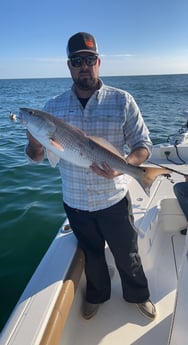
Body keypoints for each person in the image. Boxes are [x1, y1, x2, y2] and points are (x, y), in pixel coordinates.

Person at [26, 32, 156, 320]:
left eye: (89, 59)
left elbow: (143, 144)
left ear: (99, 62)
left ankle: (138, 295)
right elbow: (38, 158)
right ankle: (97, 296)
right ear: (69, 65)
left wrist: (128, 164)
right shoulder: (52, 107)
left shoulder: (122, 100)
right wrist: (35, 141)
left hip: (113, 199)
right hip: (75, 203)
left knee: (128, 255)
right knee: (92, 257)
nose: (83, 65)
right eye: (76, 61)